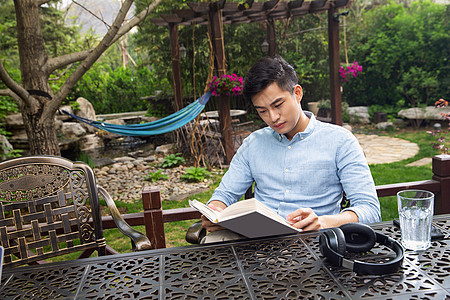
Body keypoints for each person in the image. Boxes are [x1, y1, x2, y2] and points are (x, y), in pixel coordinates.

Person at [201, 56, 380, 243]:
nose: (273, 117)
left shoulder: (340, 141)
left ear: (297, 93)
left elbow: (370, 209)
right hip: (257, 246)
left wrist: (324, 222)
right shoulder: (253, 144)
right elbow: (224, 195)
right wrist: (215, 211)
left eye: (278, 105)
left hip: (317, 246)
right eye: (262, 111)